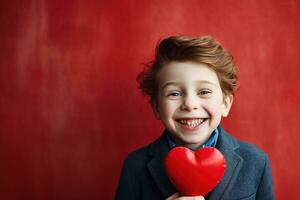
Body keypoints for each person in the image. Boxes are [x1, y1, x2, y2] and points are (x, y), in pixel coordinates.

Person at [115, 35, 274, 200]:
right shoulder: (135, 166)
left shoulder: (256, 161)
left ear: (225, 103)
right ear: (156, 107)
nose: (190, 104)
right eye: (174, 93)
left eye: (204, 92)